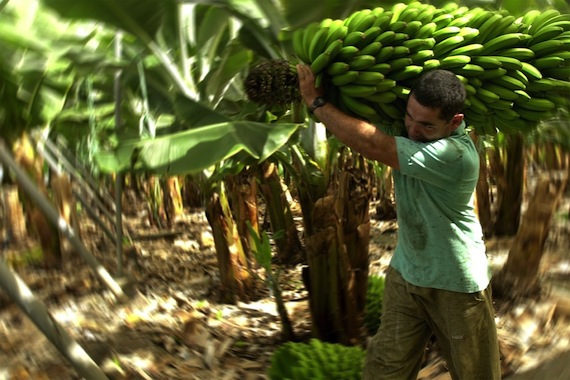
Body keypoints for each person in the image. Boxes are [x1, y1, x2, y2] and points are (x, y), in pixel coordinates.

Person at [296, 64, 501, 380]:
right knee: (384, 370)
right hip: (407, 274)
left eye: (427, 125)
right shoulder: (411, 130)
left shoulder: (457, 155)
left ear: (455, 122)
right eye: (409, 117)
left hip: (456, 282)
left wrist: (316, 102)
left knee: (476, 374)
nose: (414, 130)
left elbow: (375, 144)